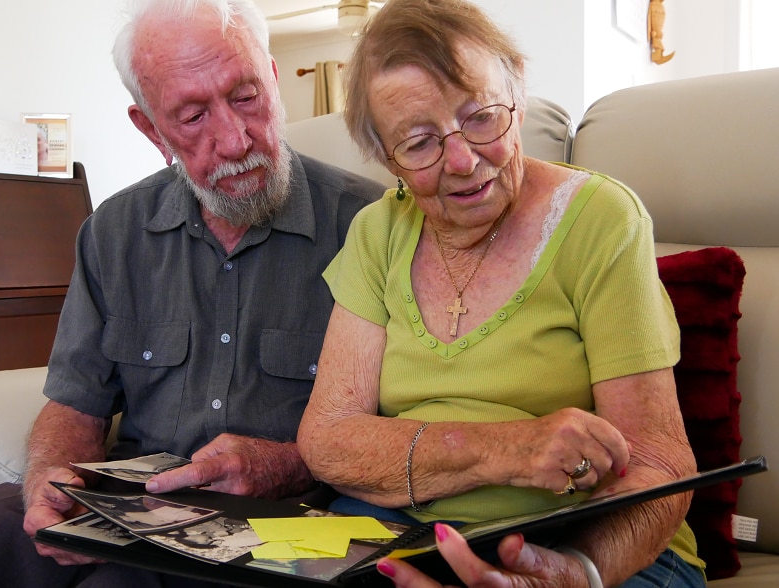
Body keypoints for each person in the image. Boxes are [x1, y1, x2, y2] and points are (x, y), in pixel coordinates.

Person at [296, 0, 705, 586]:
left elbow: (659, 462)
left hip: (585, 543)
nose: (462, 161)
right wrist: (508, 449)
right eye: (418, 143)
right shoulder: (377, 232)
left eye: (482, 116)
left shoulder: (603, 220)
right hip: (398, 530)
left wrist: (576, 570)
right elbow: (329, 438)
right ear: (390, 162)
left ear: (518, 92)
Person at [0, 0, 383, 585]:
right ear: (151, 128)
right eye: (193, 116)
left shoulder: (371, 227)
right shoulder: (112, 233)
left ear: (275, 81)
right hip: (139, 513)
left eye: (246, 96)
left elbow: (404, 423)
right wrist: (52, 482)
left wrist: (291, 464)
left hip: (288, 522)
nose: (233, 140)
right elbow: (75, 404)